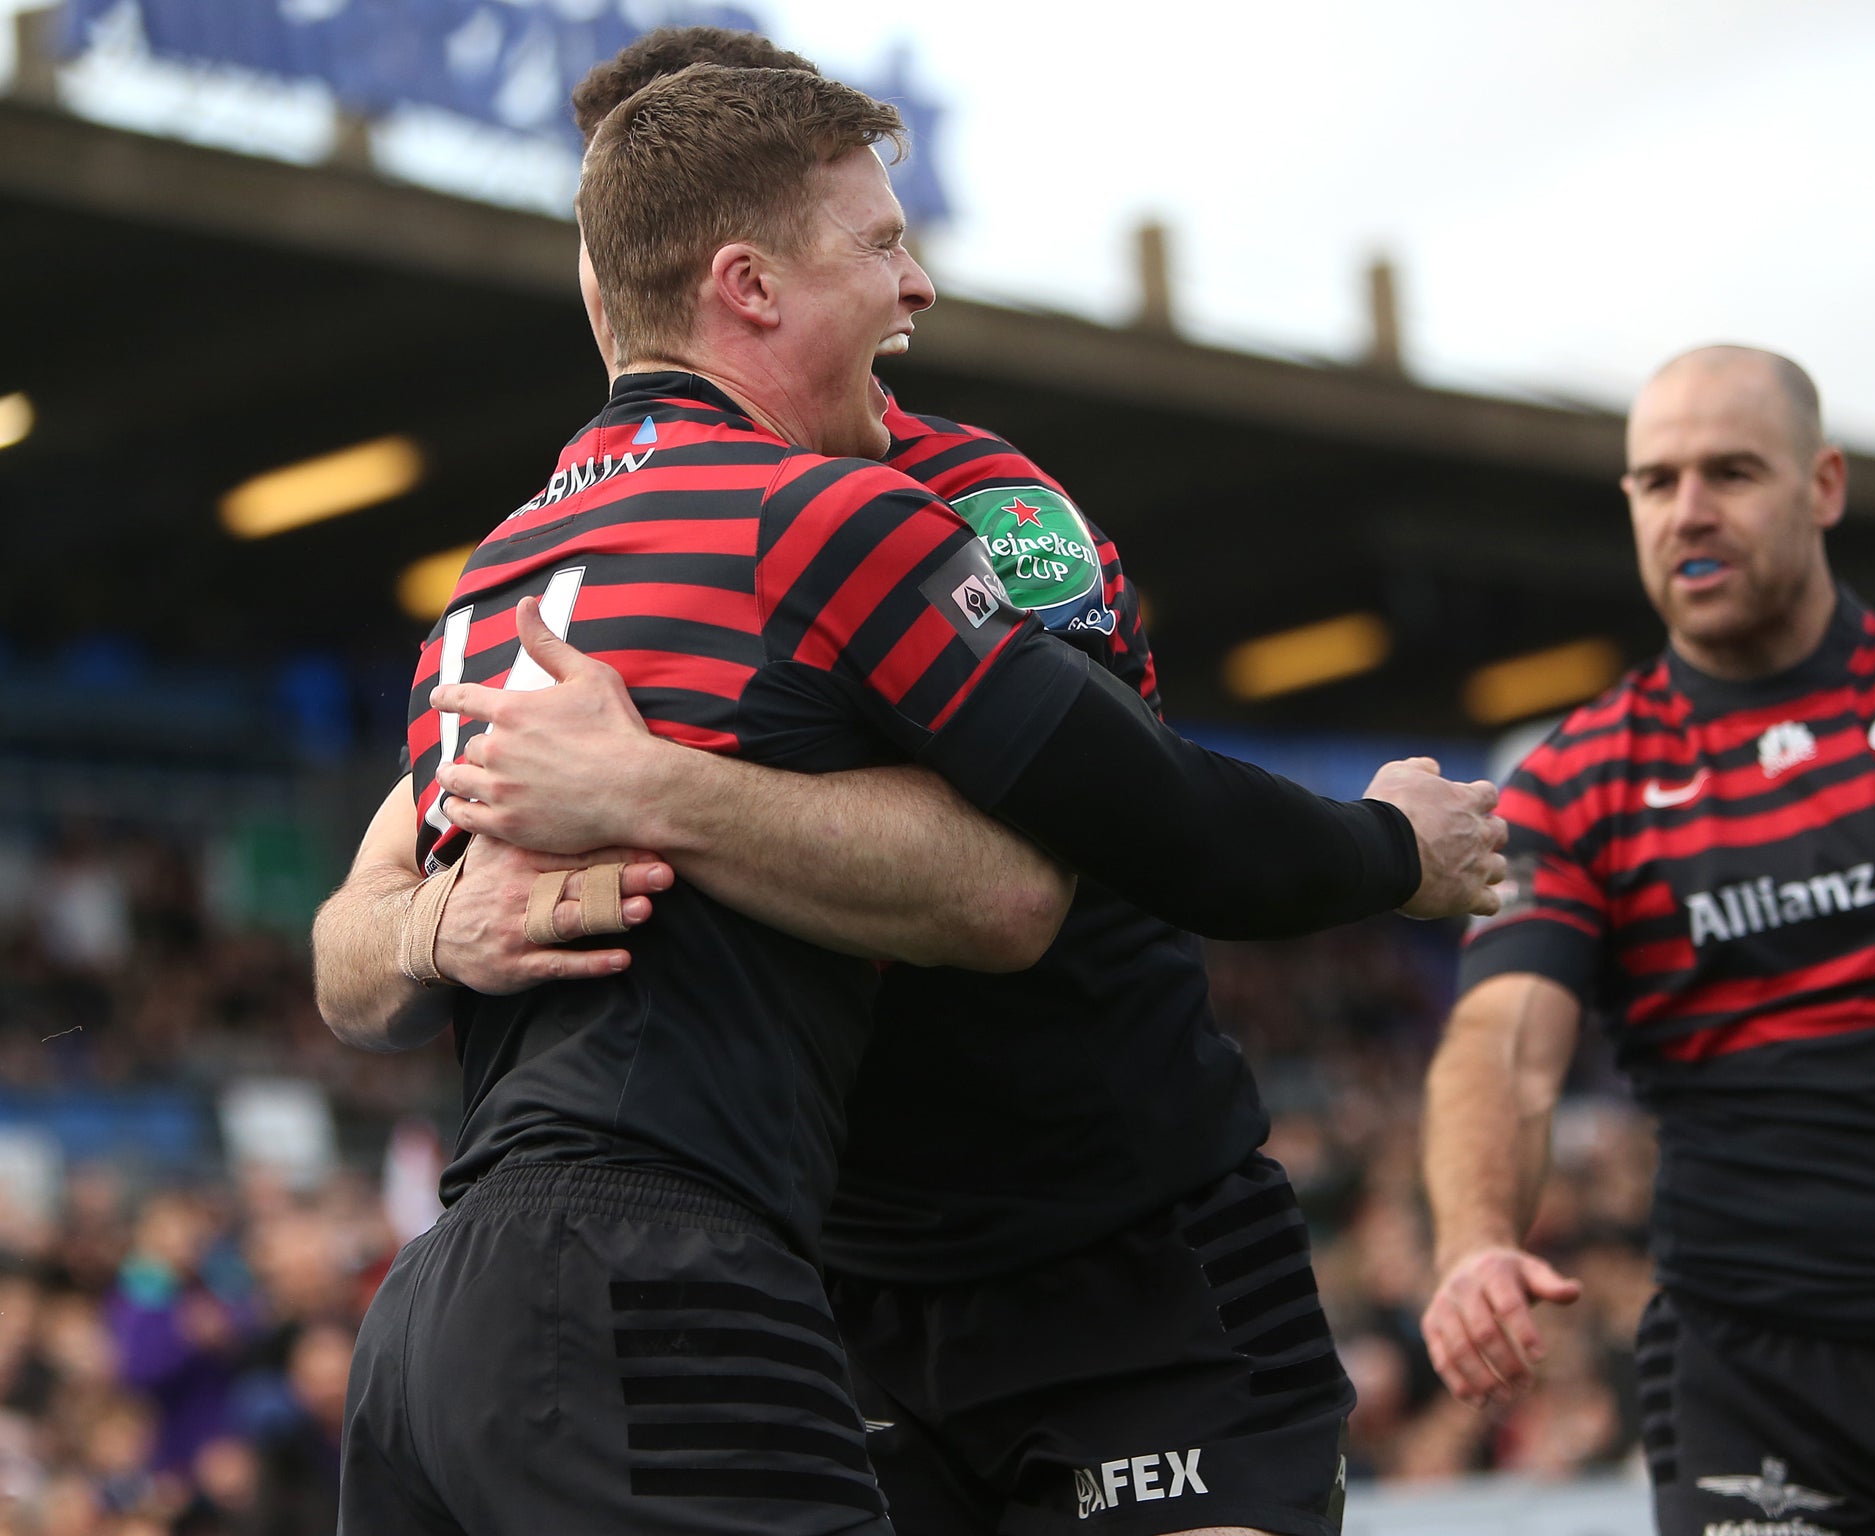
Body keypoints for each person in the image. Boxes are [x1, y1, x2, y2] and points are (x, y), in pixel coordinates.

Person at [318, 64, 1505, 1536]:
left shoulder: (934, 507)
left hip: (1112, 1256)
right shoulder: (643, 540)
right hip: (792, 1281)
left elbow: (1047, 870)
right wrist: (443, 921)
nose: (917, 282)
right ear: (729, 273)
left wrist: (655, 788)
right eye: (879, 242)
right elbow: (350, 944)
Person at [1419, 345, 1875, 1534]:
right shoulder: (1576, 776)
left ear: (1822, 487)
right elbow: (1503, 1042)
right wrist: (1474, 1242)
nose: (1689, 511)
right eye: (1655, 482)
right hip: (1752, 1378)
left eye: (1730, 472)